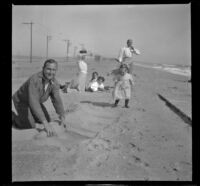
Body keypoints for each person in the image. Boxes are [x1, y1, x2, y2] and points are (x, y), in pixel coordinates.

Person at [12, 59, 67, 137]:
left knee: (47, 120)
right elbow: (33, 102)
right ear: (43, 68)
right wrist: (45, 124)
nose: (51, 72)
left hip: (36, 101)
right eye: (48, 69)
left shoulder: (55, 82)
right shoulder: (34, 80)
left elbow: (56, 99)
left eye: (53, 70)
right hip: (21, 101)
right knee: (30, 125)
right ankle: (13, 117)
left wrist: (62, 116)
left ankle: (30, 116)